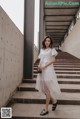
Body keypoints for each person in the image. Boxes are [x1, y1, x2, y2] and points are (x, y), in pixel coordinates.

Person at [35, 36, 61, 116]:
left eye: (49, 41)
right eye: (46, 40)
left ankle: (46, 109)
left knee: (47, 91)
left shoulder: (52, 50)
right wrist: (39, 66)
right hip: (42, 71)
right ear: (44, 42)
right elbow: (40, 60)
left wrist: (45, 65)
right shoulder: (42, 50)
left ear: (50, 42)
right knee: (44, 89)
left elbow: (53, 60)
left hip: (48, 71)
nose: (47, 42)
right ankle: (54, 101)